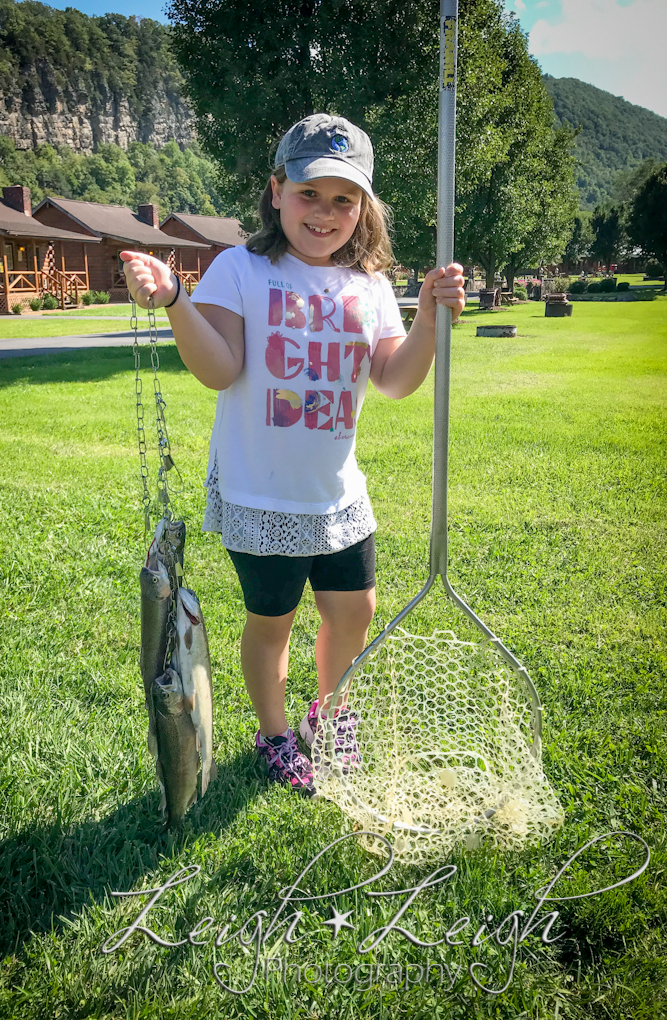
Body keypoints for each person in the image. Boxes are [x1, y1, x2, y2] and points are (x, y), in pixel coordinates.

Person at [121, 114, 465, 798]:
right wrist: (175, 301)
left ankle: (330, 716)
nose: (325, 212)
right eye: (309, 193)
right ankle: (275, 731)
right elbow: (219, 369)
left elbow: (395, 379)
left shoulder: (368, 285)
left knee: (353, 612)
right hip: (261, 493)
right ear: (276, 192)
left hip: (336, 493)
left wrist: (427, 317)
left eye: (344, 199)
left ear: (363, 210)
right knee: (270, 623)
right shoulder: (241, 269)